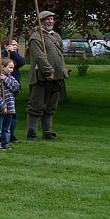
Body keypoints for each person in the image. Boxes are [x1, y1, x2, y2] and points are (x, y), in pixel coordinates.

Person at [26, 11, 69, 141]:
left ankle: (47, 132)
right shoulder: (36, 37)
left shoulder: (55, 36)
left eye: (52, 19)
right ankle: (32, 134)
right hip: (40, 77)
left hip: (56, 78)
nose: (50, 21)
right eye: (47, 19)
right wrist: (48, 71)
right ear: (41, 21)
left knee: (51, 106)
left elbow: (59, 53)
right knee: (36, 105)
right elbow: (39, 57)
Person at [0, 36, 25, 142]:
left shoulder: (15, 55)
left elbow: (22, 62)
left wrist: (12, 53)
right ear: (6, 46)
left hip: (13, 86)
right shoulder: (3, 55)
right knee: (4, 112)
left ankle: (10, 134)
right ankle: (1, 135)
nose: (15, 46)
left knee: (12, 113)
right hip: (4, 87)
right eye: (12, 44)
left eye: (16, 45)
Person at [0, 58, 20, 150]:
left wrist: (6, 80)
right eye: (10, 67)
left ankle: (5, 143)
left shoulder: (11, 78)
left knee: (6, 128)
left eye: (12, 68)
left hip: (10, 108)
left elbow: (16, 88)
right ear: (2, 67)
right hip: (0, 109)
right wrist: (3, 107)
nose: (11, 70)